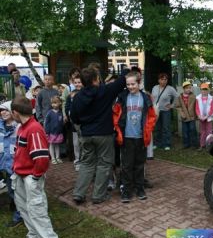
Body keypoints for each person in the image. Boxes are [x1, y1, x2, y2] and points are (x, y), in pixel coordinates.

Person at [70, 67, 126, 205]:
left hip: (86, 135)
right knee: (104, 164)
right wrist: (124, 71)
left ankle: (79, 193)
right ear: (96, 79)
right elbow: (121, 82)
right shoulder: (104, 91)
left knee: (86, 164)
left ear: (82, 81)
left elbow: (74, 118)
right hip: (104, 134)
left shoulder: (78, 97)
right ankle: (98, 195)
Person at [10, 96, 59, 238]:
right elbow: (20, 151)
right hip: (20, 175)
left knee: (37, 209)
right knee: (24, 208)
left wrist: (35, 176)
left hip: (31, 176)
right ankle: (34, 234)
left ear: (15, 112)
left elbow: (42, 158)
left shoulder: (34, 128)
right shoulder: (22, 127)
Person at [113, 72, 157, 203]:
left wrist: (148, 131)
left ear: (139, 83)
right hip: (126, 137)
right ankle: (126, 190)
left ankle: (139, 188)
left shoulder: (145, 98)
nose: (131, 87)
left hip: (140, 137)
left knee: (139, 164)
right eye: (128, 84)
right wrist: (118, 130)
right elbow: (116, 115)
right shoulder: (122, 97)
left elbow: (151, 117)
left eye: (133, 84)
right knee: (126, 165)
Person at [0, 101, 23, 228]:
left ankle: (19, 216)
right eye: (1, 110)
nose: (3, 112)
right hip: (6, 167)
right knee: (11, 191)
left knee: (18, 192)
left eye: (6, 110)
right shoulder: (0, 127)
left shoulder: (19, 127)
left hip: (18, 167)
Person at [151, 73, 178, 151]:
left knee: (166, 128)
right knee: (157, 128)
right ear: (158, 80)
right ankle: (157, 143)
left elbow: (177, 96)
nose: (164, 81)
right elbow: (152, 98)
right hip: (156, 111)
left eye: (165, 79)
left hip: (166, 111)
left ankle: (166, 144)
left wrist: (172, 105)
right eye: (162, 79)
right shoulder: (155, 88)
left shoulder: (170, 88)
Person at [65, 76, 83, 170]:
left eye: (79, 82)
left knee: (84, 143)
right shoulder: (70, 95)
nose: (77, 84)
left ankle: (85, 162)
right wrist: (69, 116)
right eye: (75, 82)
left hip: (84, 124)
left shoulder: (85, 94)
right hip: (74, 125)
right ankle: (77, 161)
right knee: (76, 144)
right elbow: (67, 107)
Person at [175, 81, 198, 149]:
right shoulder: (180, 97)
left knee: (193, 130)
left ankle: (194, 144)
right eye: (187, 88)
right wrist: (182, 113)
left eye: (190, 88)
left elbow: (196, 105)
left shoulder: (193, 96)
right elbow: (178, 106)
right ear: (183, 89)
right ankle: (186, 144)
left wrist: (196, 115)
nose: (188, 89)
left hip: (192, 116)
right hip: (184, 117)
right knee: (185, 131)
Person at [44, 96, 64, 164]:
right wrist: (46, 131)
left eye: (55, 103)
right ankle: (53, 158)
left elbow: (62, 122)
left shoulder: (61, 112)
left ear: (60, 103)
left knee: (57, 145)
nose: (54, 104)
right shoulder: (49, 112)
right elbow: (46, 122)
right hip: (51, 132)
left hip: (58, 132)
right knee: (52, 145)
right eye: (52, 103)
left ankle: (58, 157)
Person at [195, 83, 213, 150]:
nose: (204, 91)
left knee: (209, 131)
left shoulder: (211, 98)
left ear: (208, 90)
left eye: (206, 90)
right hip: (201, 117)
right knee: (202, 131)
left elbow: (212, 109)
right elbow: (197, 108)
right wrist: (199, 116)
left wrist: (207, 116)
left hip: (208, 117)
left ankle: (209, 144)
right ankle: (202, 144)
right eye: (203, 90)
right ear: (201, 90)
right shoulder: (198, 98)